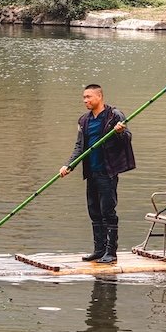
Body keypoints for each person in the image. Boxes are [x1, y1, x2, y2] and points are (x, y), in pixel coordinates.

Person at [59, 84, 135, 263]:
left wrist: (120, 132)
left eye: (89, 97)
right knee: (94, 211)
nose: (85, 100)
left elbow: (127, 139)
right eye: (84, 97)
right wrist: (68, 165)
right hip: (91, 171)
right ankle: (99, 250)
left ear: (99, 96)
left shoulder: (114, 115)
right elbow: (80, 146)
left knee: (108, 210)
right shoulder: (83, 120)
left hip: (107, 171)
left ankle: (111, 252)